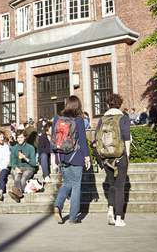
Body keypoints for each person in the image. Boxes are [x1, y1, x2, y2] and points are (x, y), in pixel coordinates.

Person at [52, 95, 90, 224]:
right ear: (77, 106)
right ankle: (73, 217)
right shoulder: (79, 120)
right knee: (75, 185)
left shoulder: (57, 118)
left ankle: (57, 206)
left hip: (61, 155)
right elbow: (83, 141)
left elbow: (53, 138)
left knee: (67, 183)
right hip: (76, 156)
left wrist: (55, 157)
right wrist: (87, 157)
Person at [95, 94, 131, 227]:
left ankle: (110, 210)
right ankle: (119, 218)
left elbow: (96, 138)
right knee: (120, 186)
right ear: (120, 104)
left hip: (106, 157)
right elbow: (126, 138)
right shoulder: (123, 118)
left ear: (107, 105)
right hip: (120, 156)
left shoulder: (102, 119)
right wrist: (127, 155)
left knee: (111, 185)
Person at [8, 130, 37, 203]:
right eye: (18, 138)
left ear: (25, 138)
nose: (19, 139)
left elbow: (33, 163)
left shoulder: (30, 148)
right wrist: (16, 168)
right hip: (18, 167)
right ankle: (19, 193)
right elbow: (12, 162)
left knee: (23, 178)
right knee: (17, 176)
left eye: (21, 137)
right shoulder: (14, 148)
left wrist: (25, 158)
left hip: (28, 168)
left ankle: (17, 193)